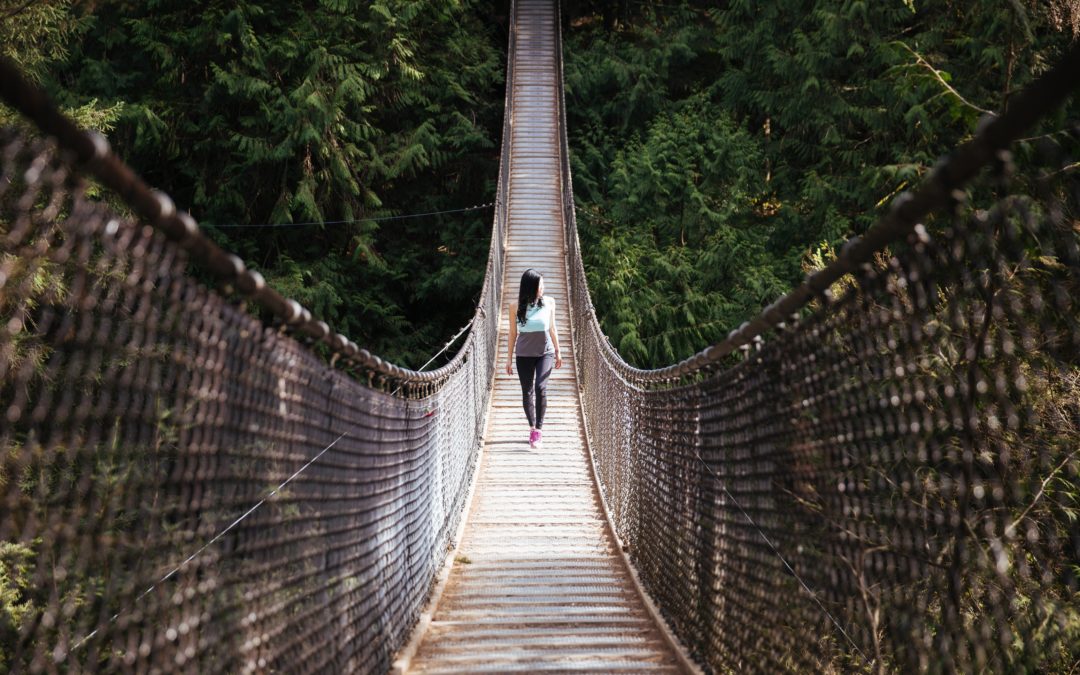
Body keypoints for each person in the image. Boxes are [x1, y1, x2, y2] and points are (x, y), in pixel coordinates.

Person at [505, 269, 563, 448]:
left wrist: (558, 351)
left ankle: (539, 430)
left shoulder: (549, 302)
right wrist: (508, 359)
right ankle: (532, 428)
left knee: (540, 387)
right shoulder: (515, 307)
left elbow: (552, 329)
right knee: (527, 391)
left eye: (543, 285)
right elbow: (513, 333)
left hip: (545, 352)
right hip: (523, 355)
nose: (543, 288)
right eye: (540, 286)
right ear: (531, 287)